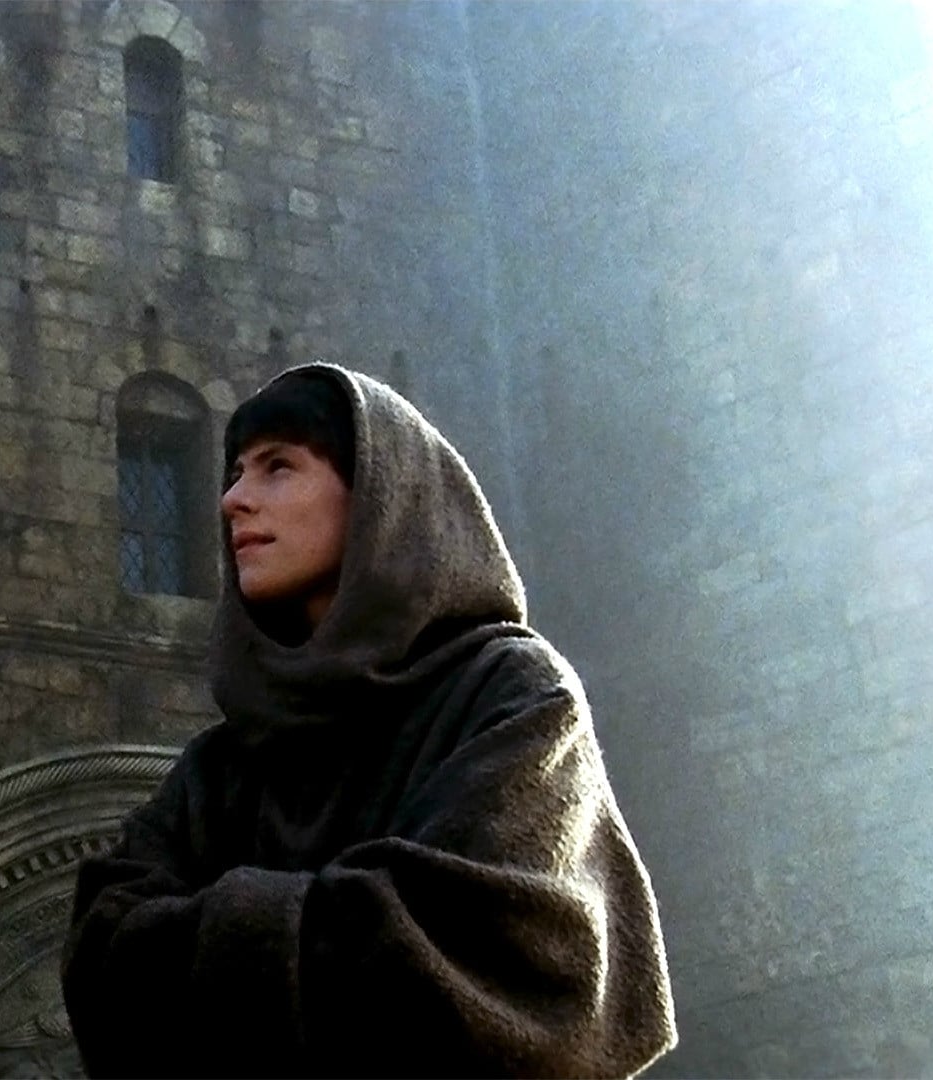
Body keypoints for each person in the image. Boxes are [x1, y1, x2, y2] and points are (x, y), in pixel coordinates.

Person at [61, 364, 677, 1077]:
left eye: (278, 467)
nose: (233, 499)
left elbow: (477, 954)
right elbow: (102, 954)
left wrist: (207, 945)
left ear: (379, 496)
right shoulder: (224, 765)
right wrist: (336, 932)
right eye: (235, 473)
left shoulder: (514, 696)